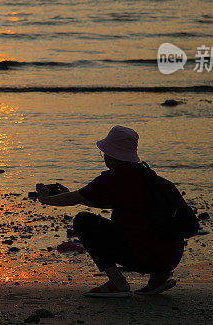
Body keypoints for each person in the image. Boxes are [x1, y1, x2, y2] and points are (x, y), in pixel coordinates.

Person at [36, 125, 184, 298]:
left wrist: (46, 199)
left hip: (146, 255)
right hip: (170, 257)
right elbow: (98, 199)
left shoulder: (114, 178)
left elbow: (74, 199)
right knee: (135, 228)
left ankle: (117, 282)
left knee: (83, 221)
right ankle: (159, 277)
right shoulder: (148, 175)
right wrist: (73, 196)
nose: (104, 156)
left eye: (104, 152)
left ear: (111, 155)